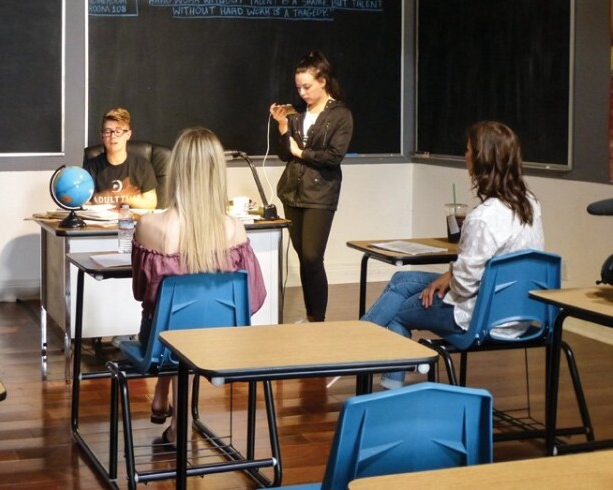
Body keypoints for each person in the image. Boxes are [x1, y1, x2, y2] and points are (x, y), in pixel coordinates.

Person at [362, 121, 544, 389]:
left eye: (468, 150)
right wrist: (451, 273)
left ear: (481, 159)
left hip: (480, 317)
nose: (465, 156)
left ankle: (364, 359)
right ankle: (359, 346)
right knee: (401, 281)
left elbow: (464, 286)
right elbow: (492, 265)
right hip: (521, 313)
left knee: (397, 311)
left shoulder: (482, 218)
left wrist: (453, 278)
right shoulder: (530, 204)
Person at [131, 127, 266, 446]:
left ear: (176, 170)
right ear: (217, 173)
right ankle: (169, 404)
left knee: (171, 325)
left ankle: (175, 415)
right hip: (222, 343)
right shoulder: (234, 229)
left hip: (160, 347)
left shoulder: (149, 226)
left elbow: (141, 292)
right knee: (190, 328)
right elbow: (254, 298)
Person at [270, 51, 353, 323]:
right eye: (298, 88)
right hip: (292, 192)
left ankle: (318, 320)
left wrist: (302, 153)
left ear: (323, 81)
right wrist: (283, 127)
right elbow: (285, 154)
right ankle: (310, 315)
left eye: (307, 86)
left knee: (313, 256)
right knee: (303, 257)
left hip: (321, 193)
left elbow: (333, 156)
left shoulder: (340, 115)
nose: (302, 93)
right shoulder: (296, 114)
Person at [83, 107, 158, 209]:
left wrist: (123, 197)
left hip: (132, 219)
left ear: (128, 134)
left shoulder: (142, 166)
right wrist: (106, 196)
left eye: (118, 131)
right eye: (108, 131)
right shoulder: (90, 169)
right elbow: (84, 204)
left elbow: (151, 204)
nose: (113, 136)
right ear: (102, 136)